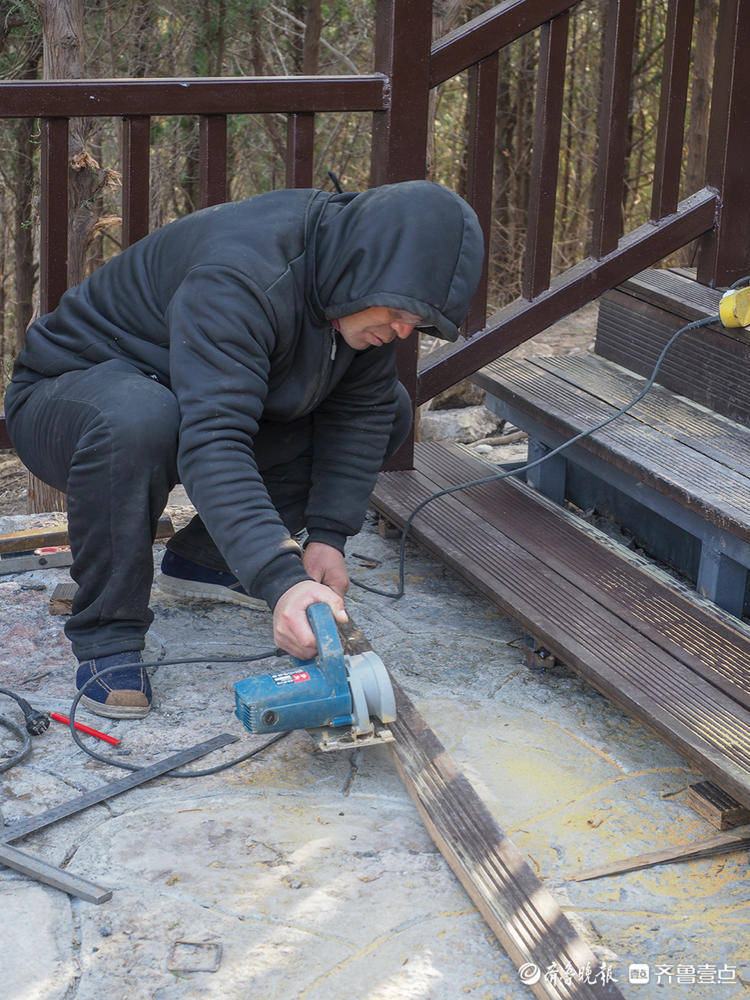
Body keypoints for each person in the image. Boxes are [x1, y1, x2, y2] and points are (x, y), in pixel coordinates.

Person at [4, 180, 483, 719]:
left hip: (180, 395)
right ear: (361, 267)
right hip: (70, 396)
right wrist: (281, 581)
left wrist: (327, 536)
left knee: (391, 408)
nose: (401, 330)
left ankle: (204, 560)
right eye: (400, 311)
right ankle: (107, 635)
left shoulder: (357, 291)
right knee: (140, 419)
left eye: (417, 323)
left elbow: (361, 413)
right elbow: (216, 439)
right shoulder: (243, 276)